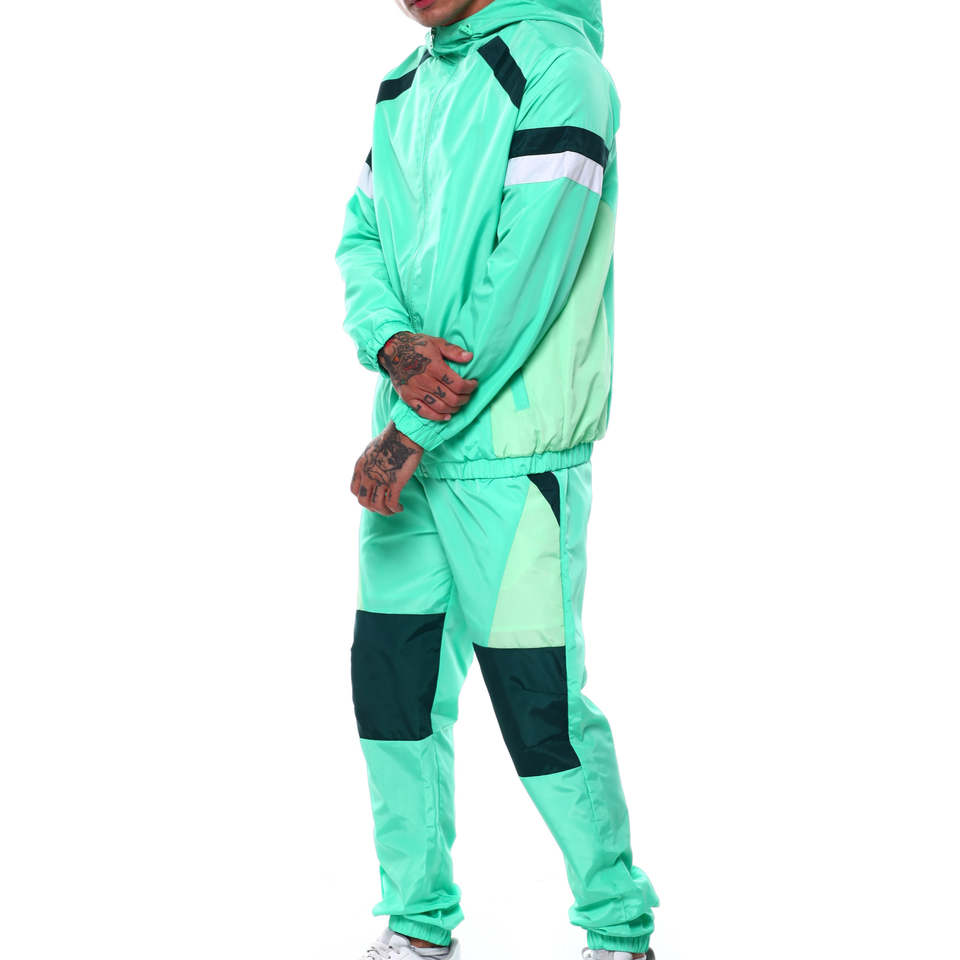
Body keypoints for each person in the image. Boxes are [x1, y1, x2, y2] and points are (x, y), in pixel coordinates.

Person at [334, 1, 659, 957]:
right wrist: (390, 345)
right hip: (411, 454)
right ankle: (416, 926)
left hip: (511, 461)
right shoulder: (403, 85)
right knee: (391, 694)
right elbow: (360, 237)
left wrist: (405, 433)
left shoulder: (562, 72)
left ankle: (619, 933)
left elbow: (524, 284)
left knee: (539, 706)